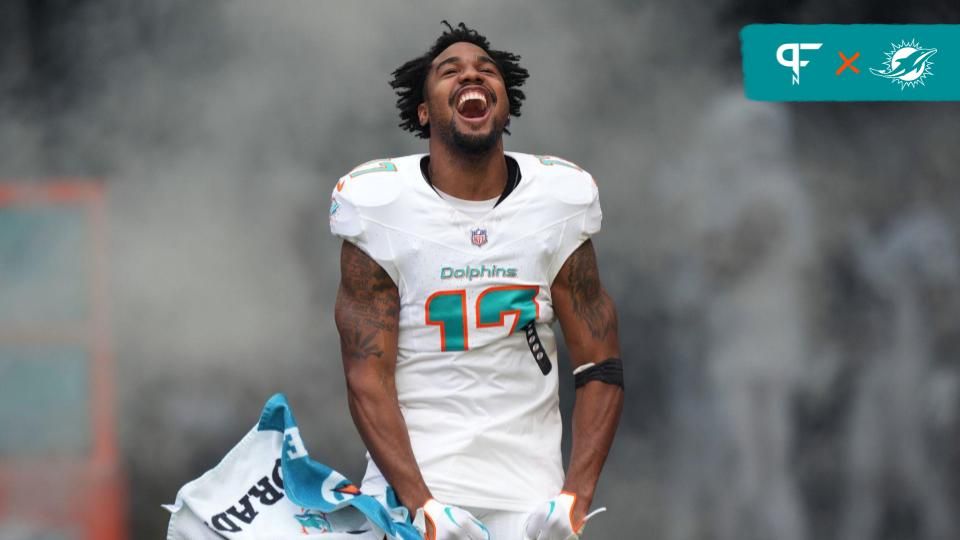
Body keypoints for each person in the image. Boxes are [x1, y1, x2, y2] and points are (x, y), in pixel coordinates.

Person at [330, 21, 623, 540]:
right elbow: (365, 378)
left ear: (504, 105)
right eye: (451, 70)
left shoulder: (557, 199)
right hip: (413, 493)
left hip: (529, 497)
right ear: (425, 111)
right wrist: (423, 507)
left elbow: (599, 363)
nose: (472, 74)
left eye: (486, 70)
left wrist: (575, 498)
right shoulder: (378, 204)